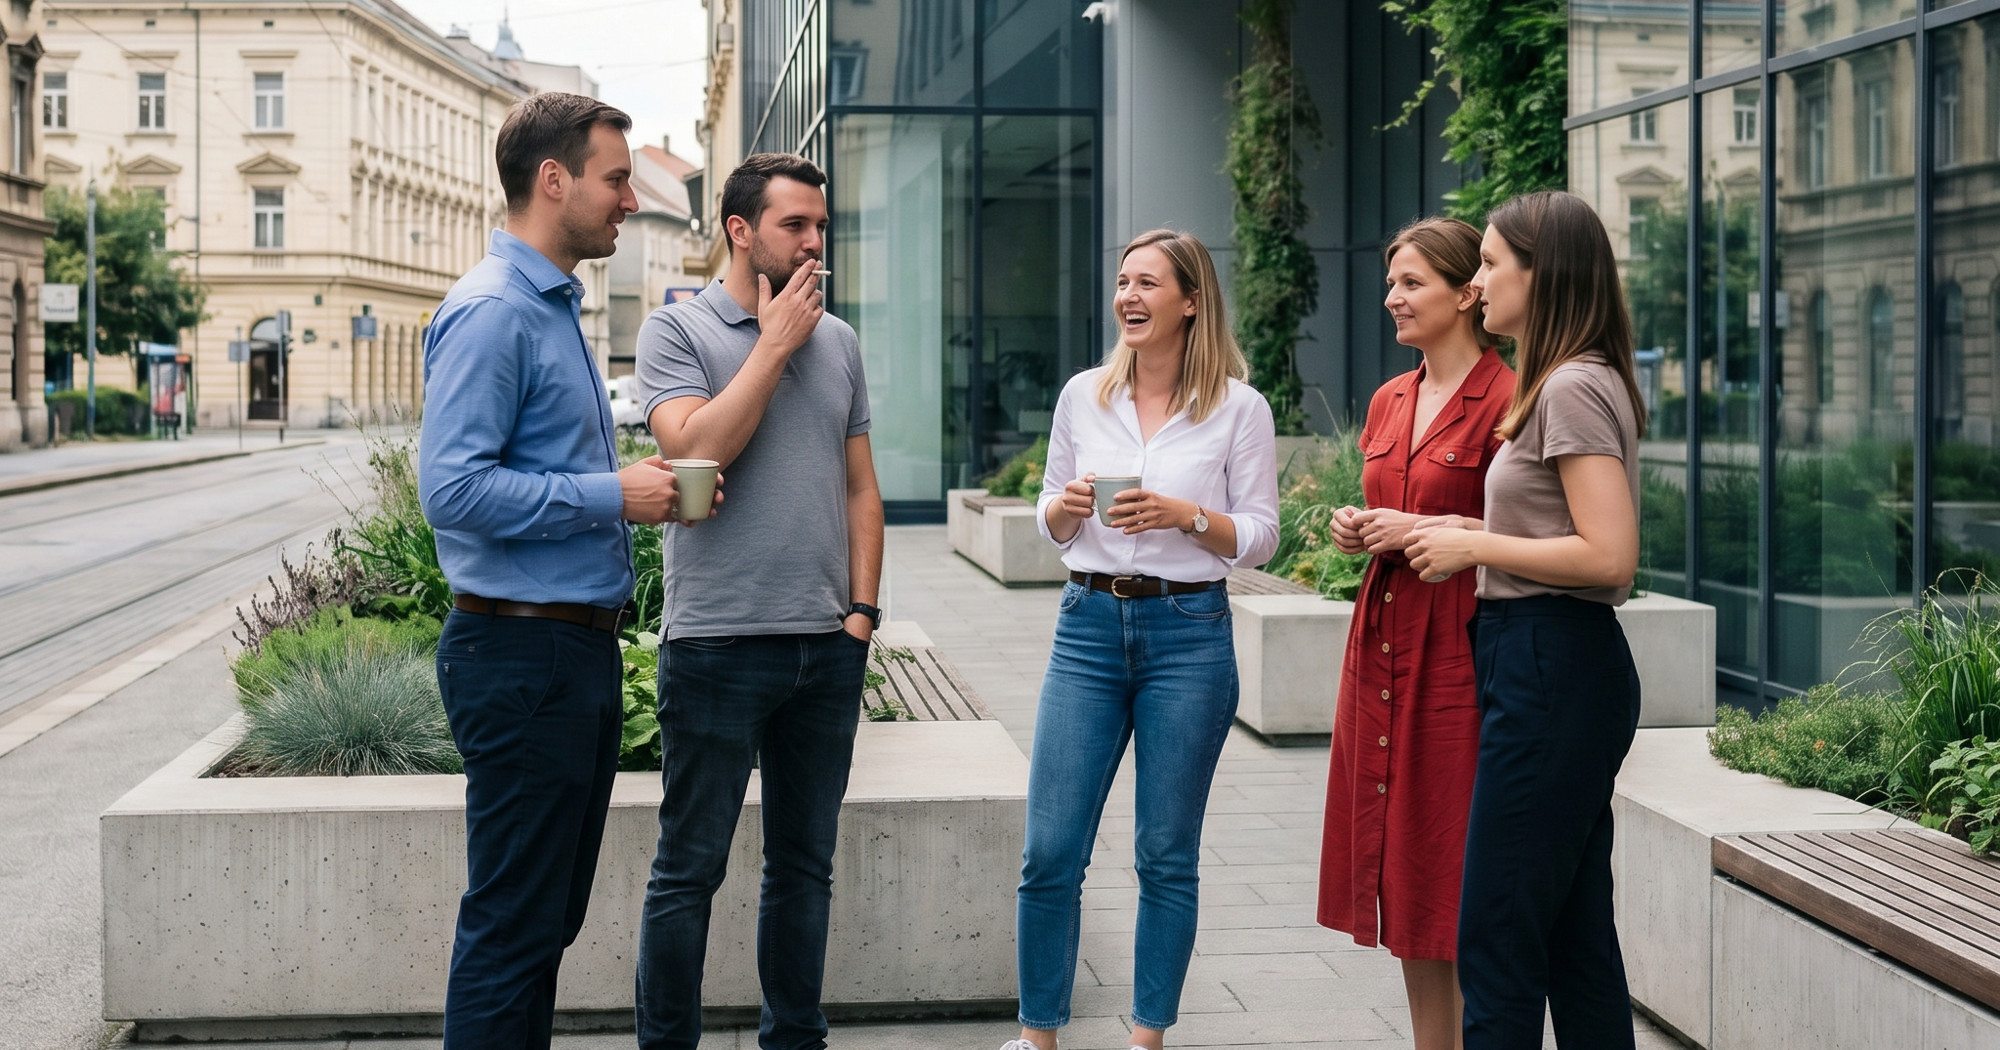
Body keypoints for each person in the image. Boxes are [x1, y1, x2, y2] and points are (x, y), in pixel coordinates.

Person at [418, 92, 695, 1050]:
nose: (627, 199)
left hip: (559, 655)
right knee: (512, 929)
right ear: (553, 180)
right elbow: (451, 491)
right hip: (521, 653)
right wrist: (609, 495)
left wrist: (627, 480)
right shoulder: (495, 312)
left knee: (539, 927)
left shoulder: (545, 306)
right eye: (616, 180)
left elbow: (536, 464)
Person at [997, 229, 1279, 1050]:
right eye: (1122, 281)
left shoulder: (1239, 408)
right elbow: (1048, 513)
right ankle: (1038, 1036)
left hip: (1188, 634)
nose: (1129, 296)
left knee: (1164, 853)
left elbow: (1259, 536)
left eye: (1148, 283)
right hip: (1086, 628)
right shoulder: (1084, 394)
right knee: (1050, 850)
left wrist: (1184, 515)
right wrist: (1069, 507)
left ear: (1191, 301)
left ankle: (1147, 1038)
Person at [630, 152, 884, 1050]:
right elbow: (698, 447)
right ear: (741, 230)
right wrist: (773, 344)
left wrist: (860, 616)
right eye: (795, 226)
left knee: (804, 869)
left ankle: (795, 1041)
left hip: (825, 646)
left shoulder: (843, 342)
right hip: (717, 647)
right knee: (688, 870)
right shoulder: (678, 333)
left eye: (822, 226)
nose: (816, 243)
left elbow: (861, 489)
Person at [1404, 190, 1648, 1050]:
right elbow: (1560, 533)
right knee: (1574, 937)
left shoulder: (1572, 385)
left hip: (1551, 663)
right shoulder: (1569, 379)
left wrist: (1478, 551)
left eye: (1493, 263)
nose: (1478, 282)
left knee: (1499, 937)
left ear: (1540, 276)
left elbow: (1610, 558)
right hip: (1549, 662)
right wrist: (1476, 532)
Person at [1317, 217, 1515, 1050]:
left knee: (1454, 861)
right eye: (1391, 283)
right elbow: (1395, 508)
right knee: (1401, 861)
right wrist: (1356, 527)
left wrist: (1431, 526)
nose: (1392, 297)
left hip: (1461, 640)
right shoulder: (1389, 398)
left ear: (1467, 292)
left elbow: (1522, 522)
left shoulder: (1510, 397)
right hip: (1384, 636)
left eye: (1411, 283)